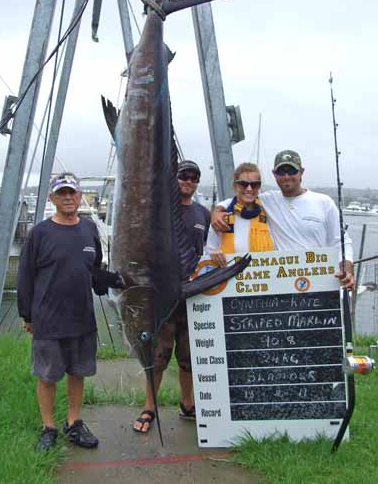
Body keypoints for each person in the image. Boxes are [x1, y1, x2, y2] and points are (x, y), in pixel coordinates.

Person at [17, 172, 120, 452]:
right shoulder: (39, 233)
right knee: (47, 376)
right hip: (47, 320)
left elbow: (94, 270)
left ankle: (73, 422)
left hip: (82, 319)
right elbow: (25, 277)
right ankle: (48, 427)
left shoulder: (89, 230)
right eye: (61, 193)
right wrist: (27, 315)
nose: (67, 197)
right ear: (52, 198)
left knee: (78, 373)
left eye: (72, 192)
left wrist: (116, 281)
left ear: (79, 196)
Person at [133, 159, 210, 434]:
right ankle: (149, 406)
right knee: (158, 356)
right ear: (174, 179)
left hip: (193, 298)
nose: (188, 181)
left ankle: (187, 403)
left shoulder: (204, 213)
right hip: (164, 298)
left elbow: (210, 251)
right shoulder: (159, 212)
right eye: (183, 176)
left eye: (193, 177)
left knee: (189, 358)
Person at [211, 150, 354, 288]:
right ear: (274, 174)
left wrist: (347, 267)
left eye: (291, 171)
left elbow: (341, 241)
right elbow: (239, 199)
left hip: (318, 282)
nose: (286, 176)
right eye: (281, 172)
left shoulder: (324, 202)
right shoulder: (268, 200)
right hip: (281, 284)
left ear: (301, 172)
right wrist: (217, 211)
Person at [206, 162, 274, 264]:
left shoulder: (269, 210)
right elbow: (209, 251)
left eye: (255, 185)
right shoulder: (221, 218)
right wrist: (214, 254)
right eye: (243, 184)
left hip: (264, 276)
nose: (249, 189)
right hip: (231, 275)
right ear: (235, 185)